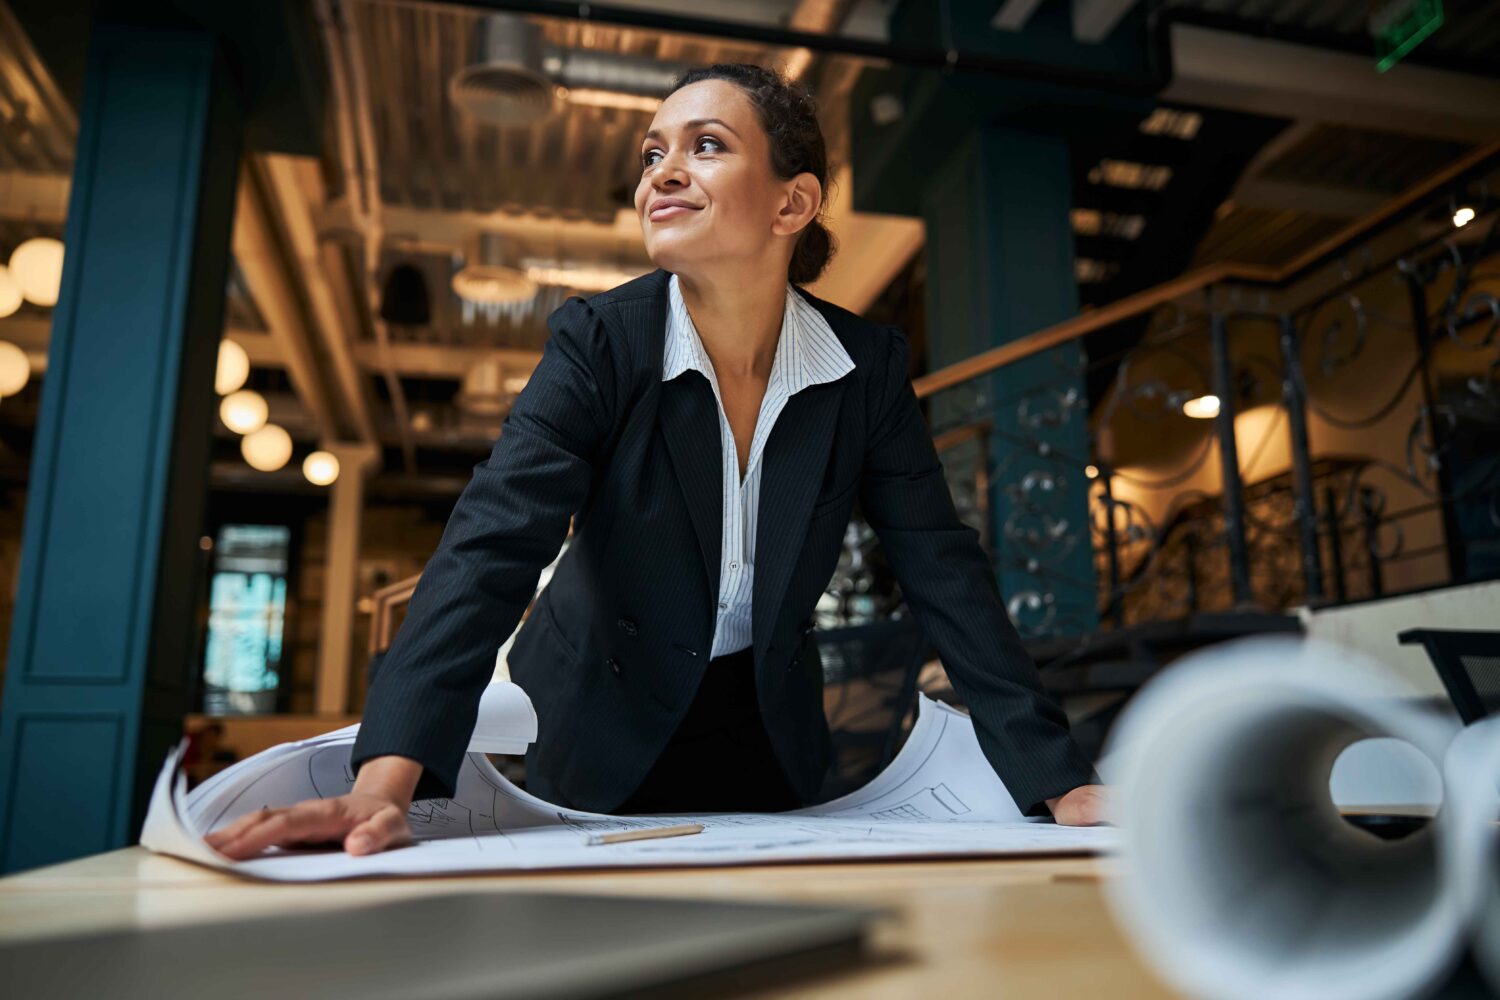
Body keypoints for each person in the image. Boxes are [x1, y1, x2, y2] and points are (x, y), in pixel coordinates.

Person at [206, 63, 1106, 861]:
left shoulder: (865, 373)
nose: (661, 174)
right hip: (594, 708)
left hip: (767, 720)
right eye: (650, 154)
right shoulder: (598, 343)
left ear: (793, 204)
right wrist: (382, 787)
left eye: (705, 145)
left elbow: (945, 572)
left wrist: (1060, 782)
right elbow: (487, 551)